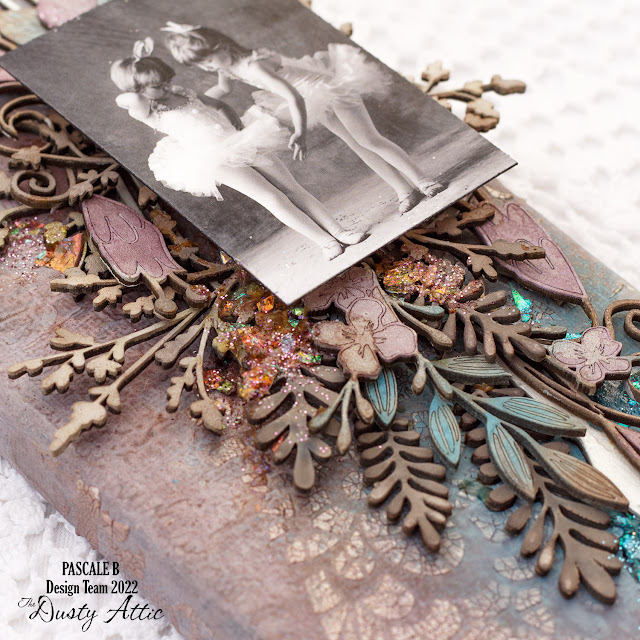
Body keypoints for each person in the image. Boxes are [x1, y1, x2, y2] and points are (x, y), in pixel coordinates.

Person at [110, 39, 365, 261]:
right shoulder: (148, 111)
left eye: (166, 81)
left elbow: (219, 105)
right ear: (139, 90)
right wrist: (133, 73)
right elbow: (125, 98)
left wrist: (238, 128)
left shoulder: (181, 92)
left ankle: (340, 231)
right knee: (271, 197)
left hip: (240, 141)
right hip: (214, 159)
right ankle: (325, 242)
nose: (166, 87)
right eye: (157, 86)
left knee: (292, 187)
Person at [163, 23, 445, 213]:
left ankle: (421, 180)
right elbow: (222, 90)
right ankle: (403, 190)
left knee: (369, 139)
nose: (206, 66)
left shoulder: (254, 64)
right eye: (200, 64)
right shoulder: (227, 67)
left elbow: (293, 97)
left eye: (207, 59)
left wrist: (300, 132)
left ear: (221, 46)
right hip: (313, 100)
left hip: (328, 90)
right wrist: (191, 103)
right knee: (356, 144)